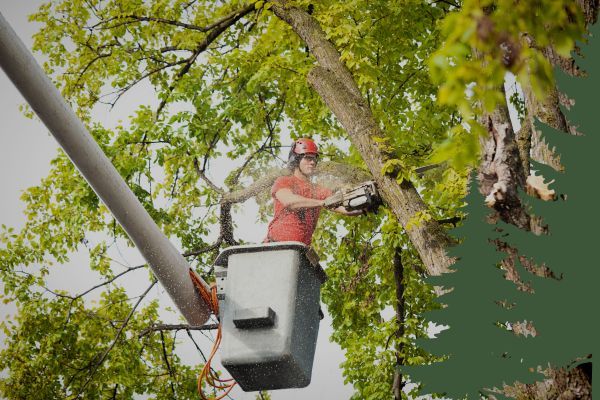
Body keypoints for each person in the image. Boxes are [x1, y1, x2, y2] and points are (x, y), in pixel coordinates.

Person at [264, 138, 363, 245]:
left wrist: (364, 204)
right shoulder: (284, 181)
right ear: (296, 160)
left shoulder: (318, 190)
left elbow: (345, 208)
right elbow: (290, 202)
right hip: (276, 246)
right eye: (308, 158)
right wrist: (321, 202)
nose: (312, 162)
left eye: (314, 159)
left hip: (301, 249)